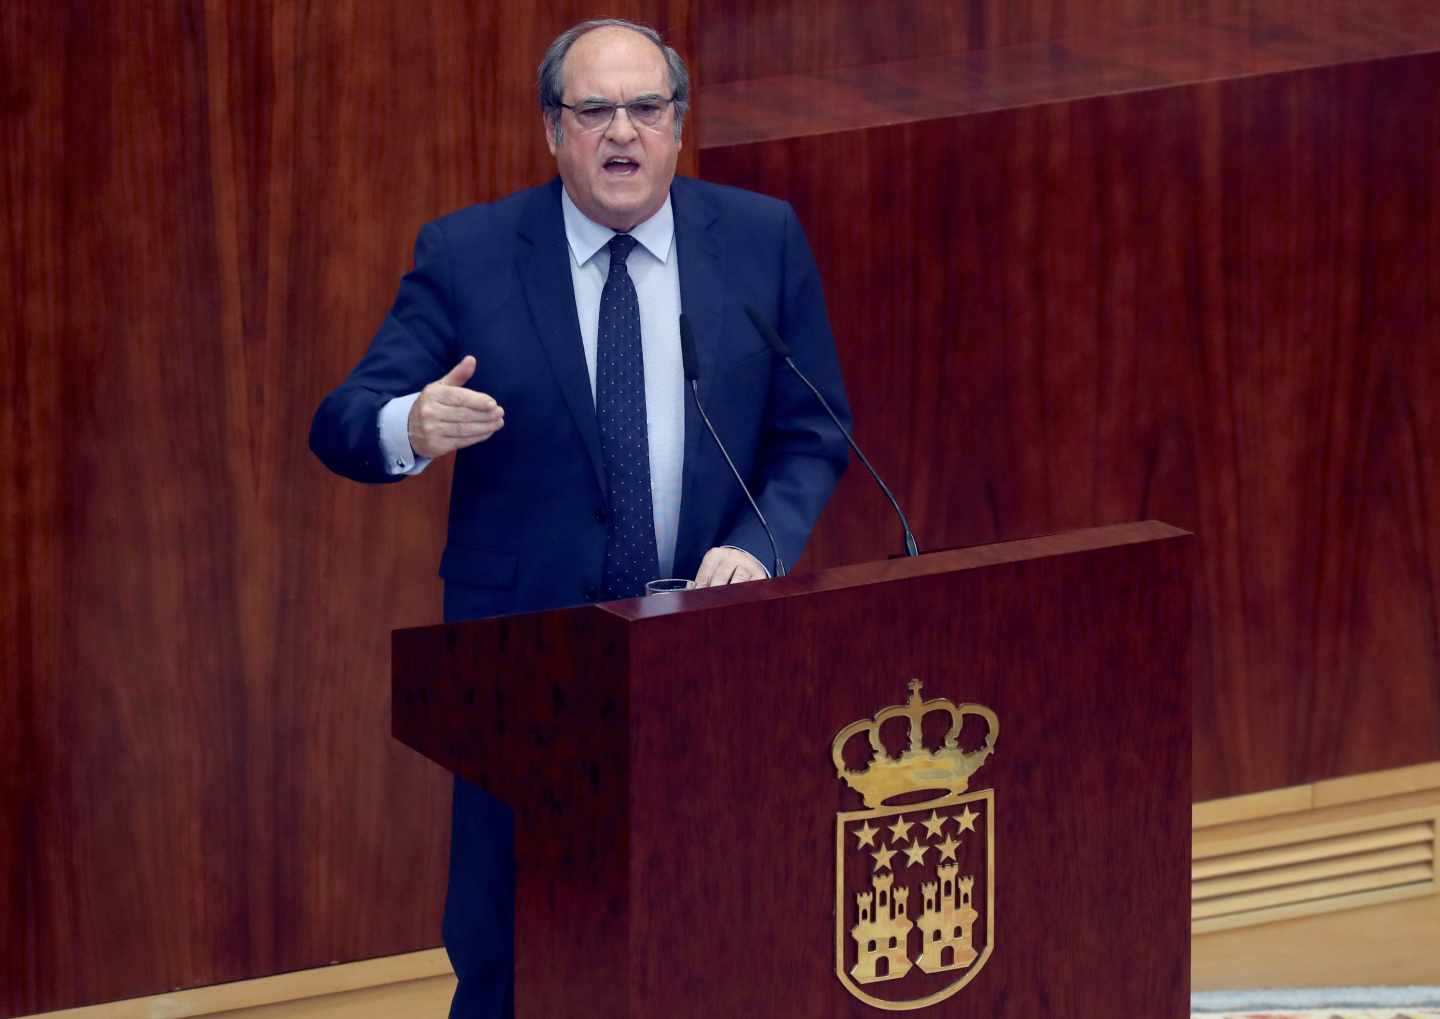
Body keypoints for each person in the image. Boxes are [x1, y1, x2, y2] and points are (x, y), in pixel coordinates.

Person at [309, 18, 850, 1019]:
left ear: (678, 125)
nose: (623, 132)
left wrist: (758, 543)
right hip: (528, 673)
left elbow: (813, 430)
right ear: (552, 130)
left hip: (710, 652)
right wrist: (412, 422)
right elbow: (340, 423)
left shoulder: (760, 237)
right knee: (514, 952)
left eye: (646, 107)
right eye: (594, 109)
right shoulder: (469, 254)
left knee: (718, 928)